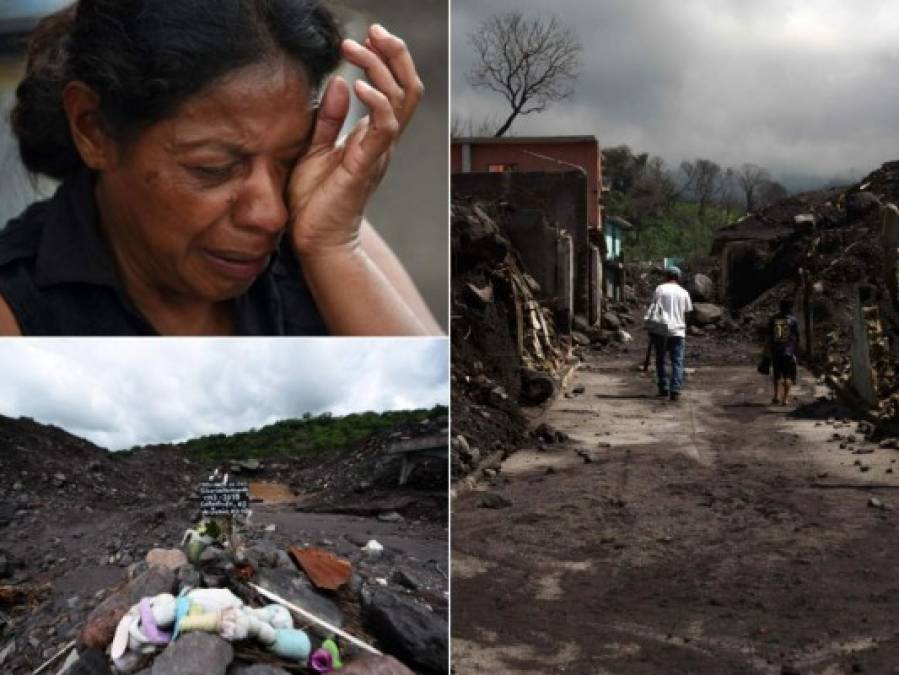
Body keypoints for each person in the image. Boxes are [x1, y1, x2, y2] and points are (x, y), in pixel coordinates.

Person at [0, 0, 441, 336]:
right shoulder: (17, 313)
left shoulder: (322, 234)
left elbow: (439, 422)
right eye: (214, 168)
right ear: (93, 129)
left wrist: (332, 251)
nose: (271, 215)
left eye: (291, 159)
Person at [647, 266, 693, 401]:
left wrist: (651, 328)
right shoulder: (684, 292)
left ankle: (664, 387)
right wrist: (685, 326)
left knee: (661, 359)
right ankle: (675, 390)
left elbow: (653, 310)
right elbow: (688, 313)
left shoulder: (660, 289)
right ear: (678, 277)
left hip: (661, 330)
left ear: (666, 276)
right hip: (678, 331)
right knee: (677, 362)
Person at [768, 299, 800, 405]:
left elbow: (769, 335)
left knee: (777, 374)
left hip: (776, 351)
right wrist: (796, 350)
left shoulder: (773, 319)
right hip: (789, 352)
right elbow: (797, 336)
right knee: (788, 376)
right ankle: (785, 399)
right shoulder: (793, 320)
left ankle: (776, 395)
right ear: (789, 308)